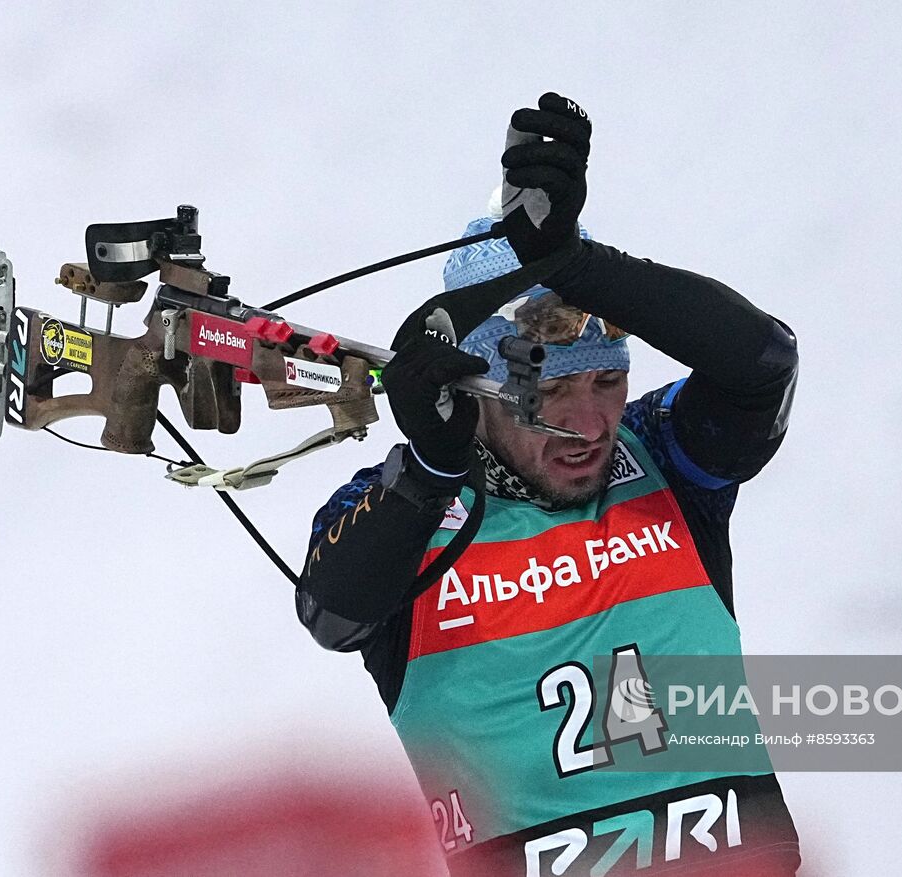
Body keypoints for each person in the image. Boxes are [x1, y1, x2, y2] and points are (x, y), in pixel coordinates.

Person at [297, 94, 801, 876]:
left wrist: (570, 262)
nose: (592, 423)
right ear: (482, 387)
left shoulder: (661, 454)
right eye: (552, 395)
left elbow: (762, 362)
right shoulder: (414, 506)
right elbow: (331, 608)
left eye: (607, 381)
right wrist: (430, 469)